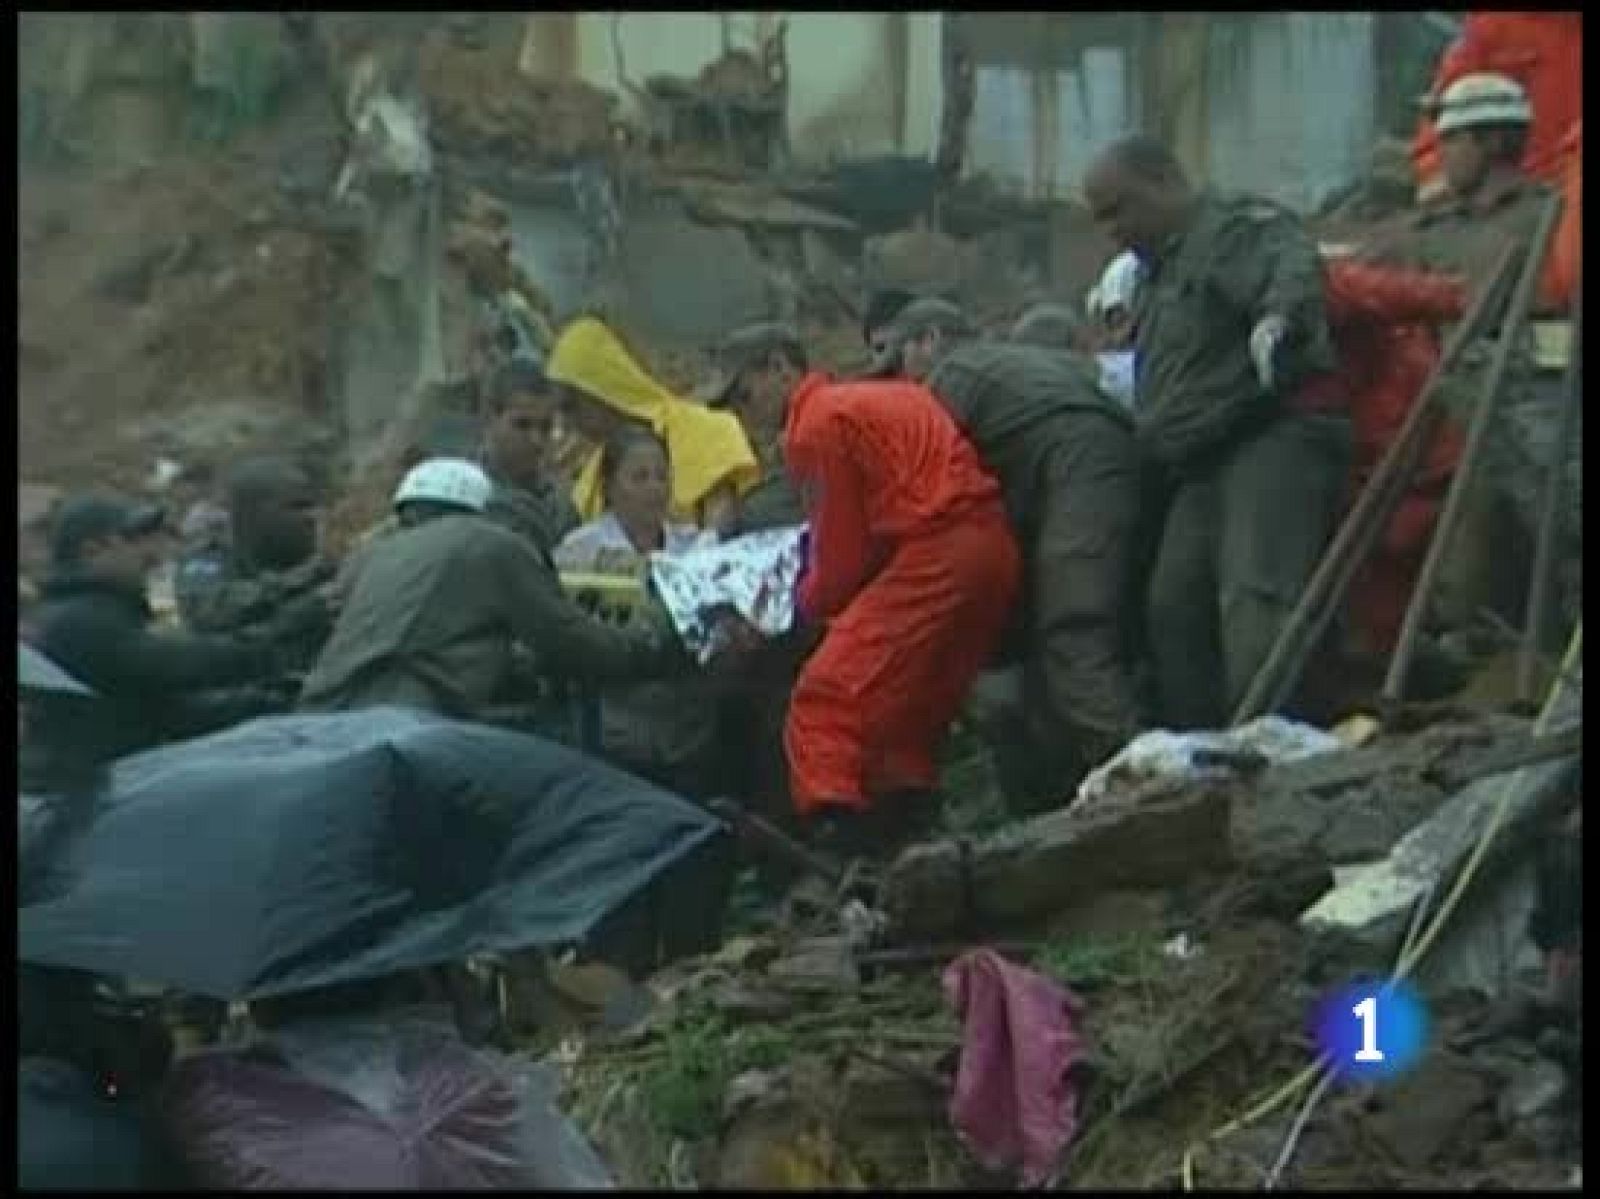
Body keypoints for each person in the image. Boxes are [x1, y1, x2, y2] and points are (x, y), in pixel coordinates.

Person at [712, 325, 1020, 855]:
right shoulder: (879, 397)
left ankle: (838, 844)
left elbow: (842, 559)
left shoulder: (815, 425)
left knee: (825, 696)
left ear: (781, 368)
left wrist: (786, 616)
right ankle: (911, 827)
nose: (745, 414)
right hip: (990, 548)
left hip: (936, 552)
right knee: (906, 708)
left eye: (745, 394)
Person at [1083, 135, 1350, 730]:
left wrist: (1277, 322)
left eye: (1117, 209)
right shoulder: (1158, 269)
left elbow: (1292, 266)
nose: (1111, 230)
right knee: (1173, 607)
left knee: (1255, 603)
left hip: (1269, 437)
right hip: (1200, 458)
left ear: (1161, 183)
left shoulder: (1230, 232)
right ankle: (1203, 753)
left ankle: (1272, 747)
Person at [882, 297, 1144, 806]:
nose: (900, 381)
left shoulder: (954, 377)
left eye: (900, 362)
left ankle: (1142, 782)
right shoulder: (1016, 367)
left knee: (1074, 630)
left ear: (930, 342)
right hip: (1100, 462)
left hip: (1078, 466)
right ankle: (1077, 787)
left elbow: (922, 493)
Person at [300, 458, 683, 725]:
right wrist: (666, 620)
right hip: (403, 731)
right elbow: (584, 649)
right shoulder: (489, 543)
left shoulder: (372, 554)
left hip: (320, 719)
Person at [30, 495, 288, 767]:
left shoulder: (97, 611)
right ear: (92, 550)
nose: (151, 554)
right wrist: (265, 649)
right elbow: (171, 664)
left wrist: (261, 702)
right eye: (133, 539)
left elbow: (163, 711)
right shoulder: (78, 621)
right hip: (84, 793)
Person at [554, 427, 723, 797]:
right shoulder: (580, 551)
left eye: (662, 477)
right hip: (613, 720)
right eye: (639, 477)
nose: (654, 488)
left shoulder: (697, 548)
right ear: (611, 488)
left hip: (688, 721)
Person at [545, 317, 759, 535]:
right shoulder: (592, 474)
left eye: (571, 407)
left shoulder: (706, 428)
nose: (569, 423)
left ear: (603, 391)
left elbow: (718, 530)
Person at [174, 456, 334, 673]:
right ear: (254, 511)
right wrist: (295, 585)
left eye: (312, 507)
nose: (311, 518)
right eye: (296, 507)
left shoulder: (318, 563)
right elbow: (207, 613)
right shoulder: (209, 558)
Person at [479, 355, 582, 553]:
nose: (536, 440)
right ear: (490, 418)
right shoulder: (464, 497)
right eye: (522, 425)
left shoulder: (559, 510)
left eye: (545, 428)